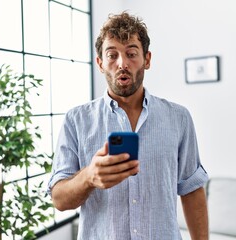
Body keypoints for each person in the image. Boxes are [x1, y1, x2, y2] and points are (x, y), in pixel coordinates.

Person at [48, 11, 209, 240]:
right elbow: (59, 200)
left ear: (147, 59)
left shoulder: (179, 118)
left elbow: (192, 190)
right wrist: (89, 177)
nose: (122, 63)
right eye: (112, 55)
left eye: (131, 53)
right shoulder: (76, 120)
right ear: (100, 63)